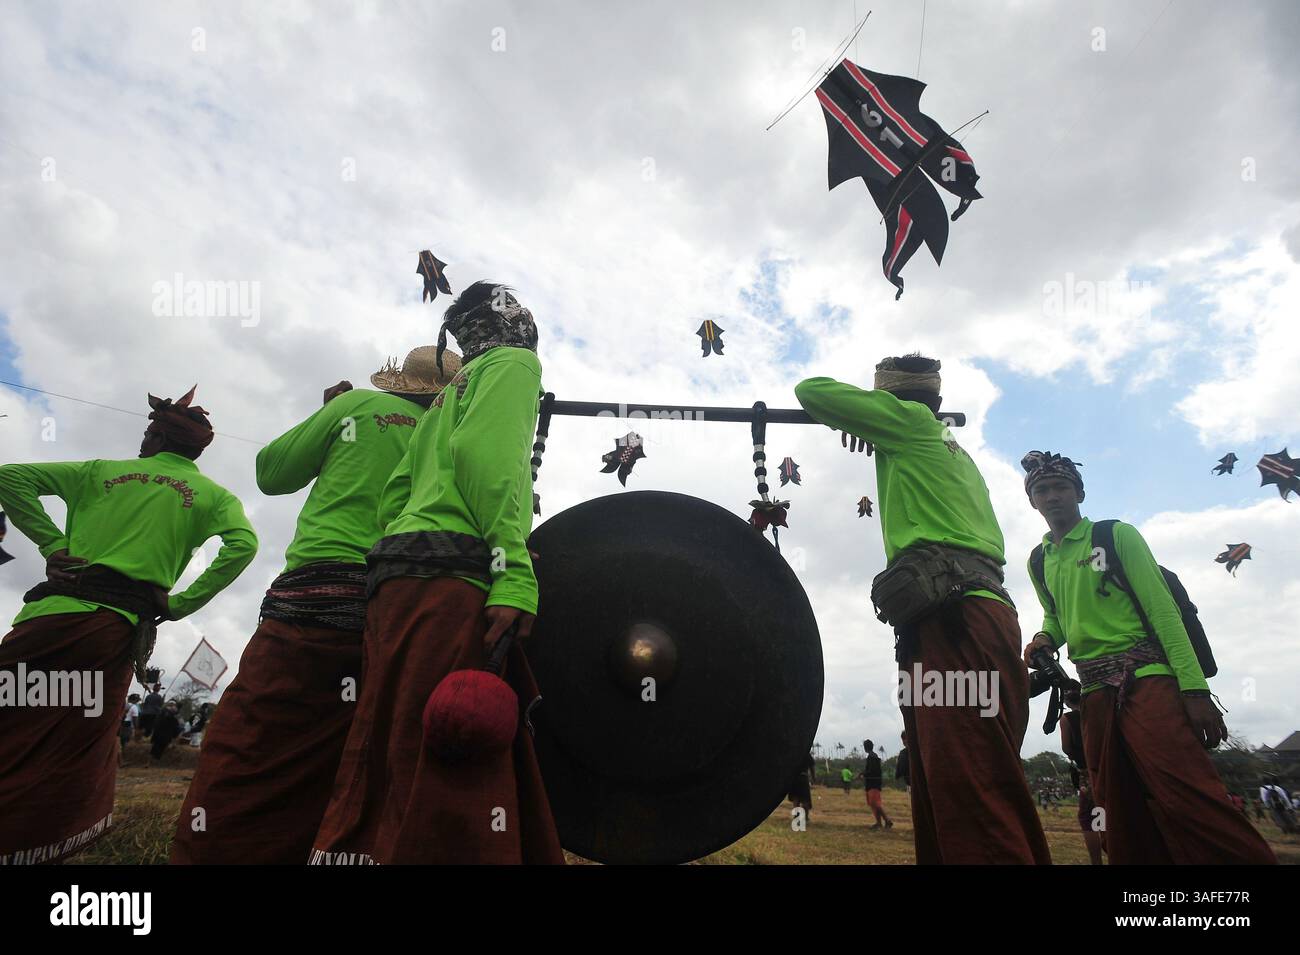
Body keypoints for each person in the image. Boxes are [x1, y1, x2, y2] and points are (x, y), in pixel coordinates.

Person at [310, 282, 563, 865]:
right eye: (518, 306)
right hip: (449, 580)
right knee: (451, 759)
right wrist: (512, 568)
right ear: (509, 318)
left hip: (397, 577)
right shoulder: (516, 364)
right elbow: (491, 461)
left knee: (388, 754)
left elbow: (394, 494)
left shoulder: (452, 392)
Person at [171, 349, 457, 865]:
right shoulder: (453, 435)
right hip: (401, 612)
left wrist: (326, 413)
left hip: (311, 605)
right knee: (357, 769)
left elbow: (272, 473)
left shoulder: (358, 406)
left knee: (250, 755)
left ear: (398, 382)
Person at [795, 356, 1050, 864]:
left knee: (967, 781)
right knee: (961, 776)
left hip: (956, 624)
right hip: (974, 615)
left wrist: (870, 413)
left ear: (892, 401)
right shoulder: (949, 446)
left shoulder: (908, 424)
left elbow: (812, 390)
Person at [0, 386, 257, 864]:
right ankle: (33, 848)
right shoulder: (213, 495)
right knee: (69, 746)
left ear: (159, 435)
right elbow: (243, 545)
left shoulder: (101, 472)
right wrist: (182, 604)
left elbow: (9, 477)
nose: (143, 437)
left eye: (148, 430)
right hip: (111, 632)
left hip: (47, 617)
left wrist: (53, 546)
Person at [1021, 451, 1276, 864]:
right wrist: (1045, 636)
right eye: (1042, 490)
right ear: (1032, 501)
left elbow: (1163, 612)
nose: (1053, 497)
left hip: (1148, 681)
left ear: (1079, 492)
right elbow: (1057, 615)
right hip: (1093, 694)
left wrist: (1195, 690)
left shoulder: (1115, 536)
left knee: (1190, 795)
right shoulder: (1039, 559)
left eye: (1061, 487)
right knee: (1116, 809)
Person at [860, 739, 893, 830]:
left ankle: (887, 820)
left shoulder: (872, 757)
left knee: (875, 803)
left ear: (865, 748)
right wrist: (862, 774)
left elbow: (872, 771)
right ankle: (879, 823)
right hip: (872, 784)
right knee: (873, 804)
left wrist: (864, 775)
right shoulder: (873, 756)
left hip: (873, 784)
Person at [787, 750, 816, 819]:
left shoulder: (793, 753)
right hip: (803, 778)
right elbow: (812, 767)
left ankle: (797, 815)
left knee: (795, 798)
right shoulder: (806, 754)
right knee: (805, 799)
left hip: (794, 778)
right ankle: (805, 817)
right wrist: (813, 777)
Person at [118, 694, 141, 766]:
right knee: (124, 744)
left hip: (119, 725)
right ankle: (122, 761)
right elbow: (135, 719)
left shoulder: (124, 705)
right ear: (135, 700)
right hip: (127, 726)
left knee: (119, 743)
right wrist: (136, 729)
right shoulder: (134, 707)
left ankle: (119, 760)